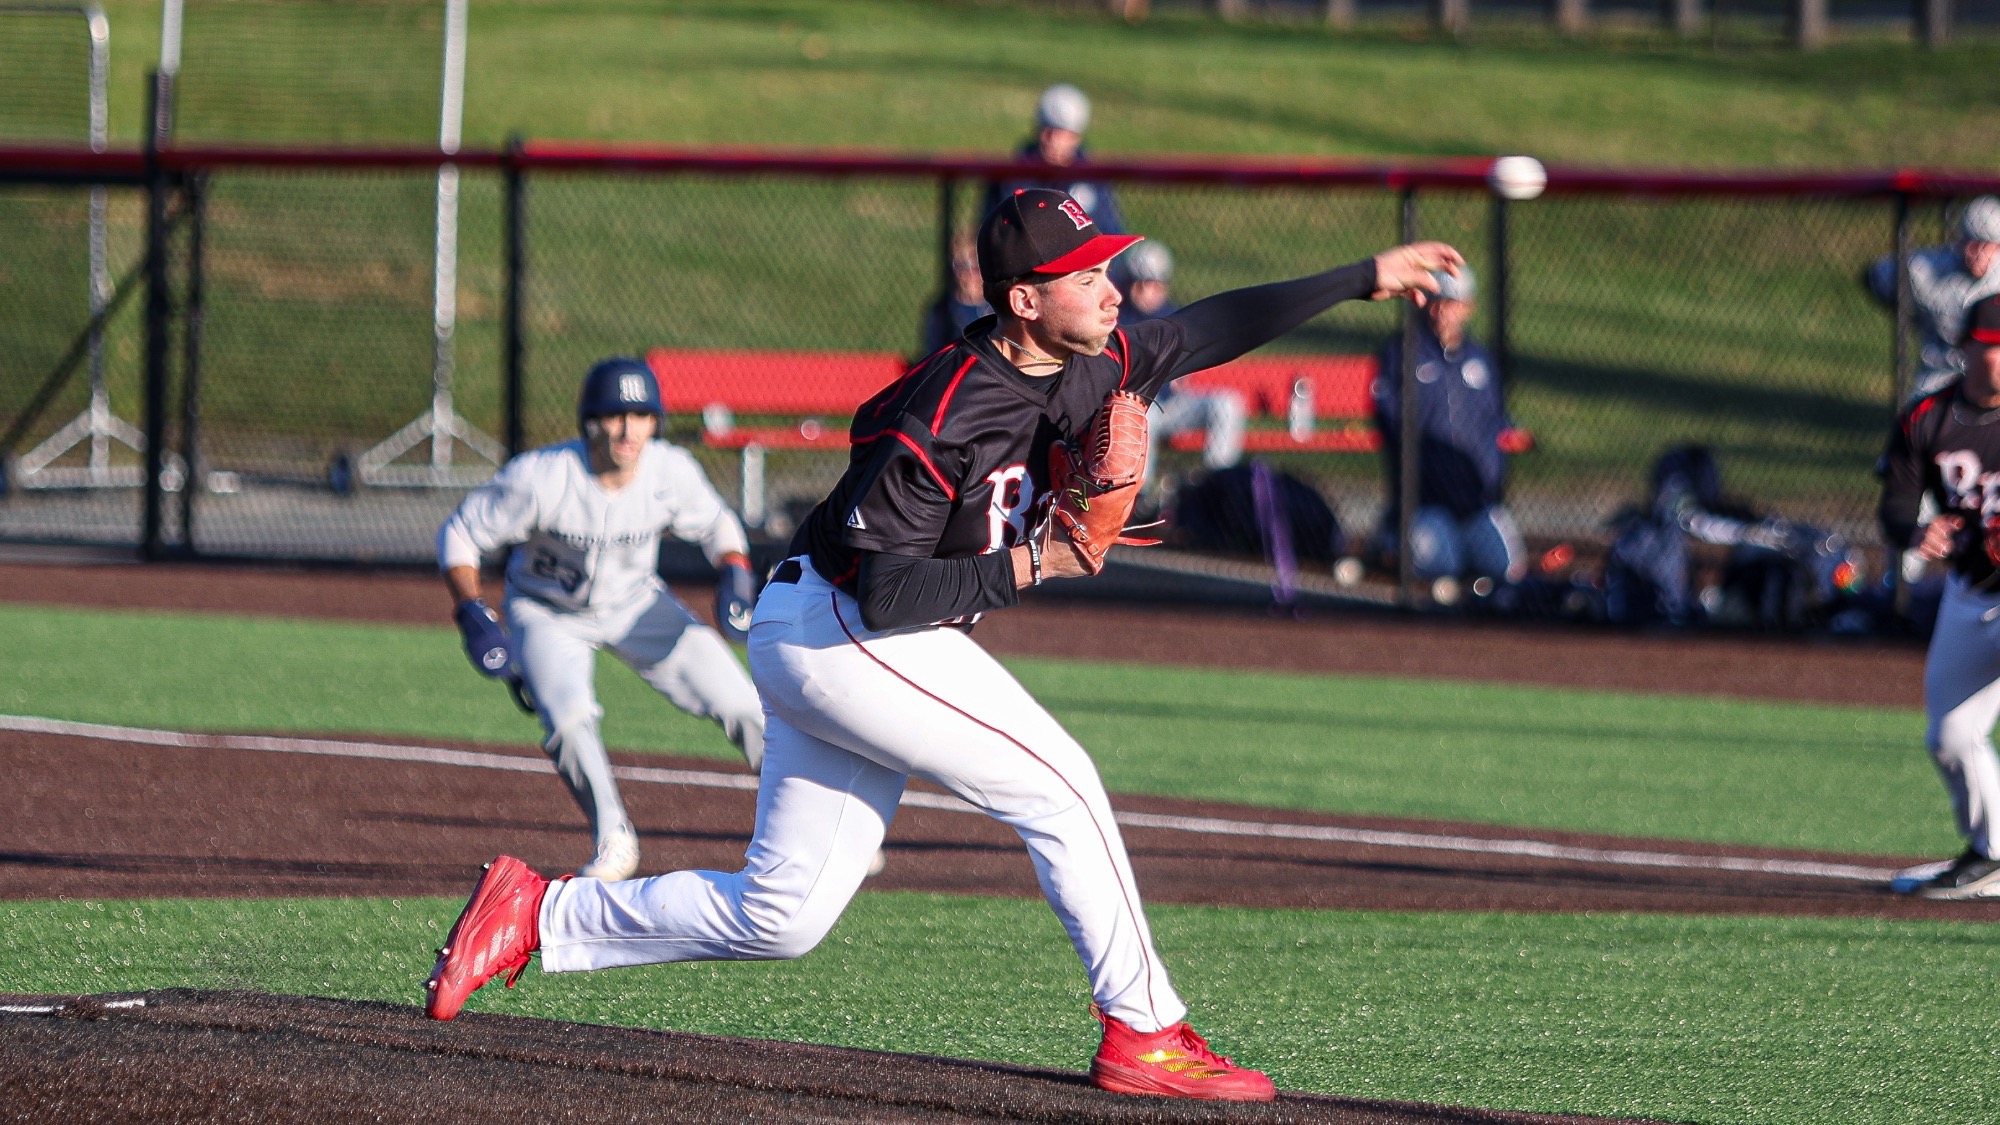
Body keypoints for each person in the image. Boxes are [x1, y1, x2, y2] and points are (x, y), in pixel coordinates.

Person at [422, 187, 1460, 1101]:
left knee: (783, 913)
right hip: (843, 629)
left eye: (1106, 266)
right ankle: (1145, 1031)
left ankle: (541, 916)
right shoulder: (941, 412)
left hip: (842, 630)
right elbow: (884, 592)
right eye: (1082, 273)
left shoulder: (1079, 356)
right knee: (1060, 785)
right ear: (1021, 300)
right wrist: (1031, 566)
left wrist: (1362, 276)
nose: (1110, 286)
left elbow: (1205, 328)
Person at [436, 357, 765, 882]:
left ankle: (810, 825)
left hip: (637, 604)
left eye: (641, 415)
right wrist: (472, 608)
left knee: (744, 702)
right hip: (547, 612)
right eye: (614, 414)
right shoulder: (542, 477)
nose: (627, 428)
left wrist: (736, 574)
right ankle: (615, 839)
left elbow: (719, 525)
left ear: (655, 422)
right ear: (589, 421)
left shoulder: (669, 471)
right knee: (568, 720)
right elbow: (459, 534)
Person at [1881, 295, 2000, 900]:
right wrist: (1915, 532)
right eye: (1993, 343)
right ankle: (1992, 855)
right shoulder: (1927, 416)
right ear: (1969, 348)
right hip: (1970, 591)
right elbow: (1895, 508)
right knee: (1950, 737)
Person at [1370, 266, 1530, 587]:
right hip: (1426, 506)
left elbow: (1495, 421)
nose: (1442, 309)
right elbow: (1388, 419)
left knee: (1507, 570)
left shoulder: (1480, 360)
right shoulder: (1403, 353)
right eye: (1435, 299)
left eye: (1453, 301)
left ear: (1468, 306)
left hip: (1476, 505)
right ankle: (1391, 536)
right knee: (1442, 568)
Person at [1116, 241, 1247, 489]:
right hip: (1134, 411)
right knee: (1146, 416)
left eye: (1157, 283)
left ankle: (1217, 487)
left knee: (1227, 404)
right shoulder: (1118, 317)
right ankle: (1139, 499)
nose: (1149, 290)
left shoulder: (1172, 315)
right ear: (1130, 283)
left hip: (1172, 405)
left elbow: (1186, 368)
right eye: (1143, 283)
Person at [1866, 196, 2000, 402]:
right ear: (1960, 241)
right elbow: (1874, 277)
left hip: (1989, 388)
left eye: (1987, 245)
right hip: (1938, 381)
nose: (1978, 253)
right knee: (1916, 421)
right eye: (1972, 244)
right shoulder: (1927, 269)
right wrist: (1911, 313)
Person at [982, 83, 1124, 234]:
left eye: (1061, 133)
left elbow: (1110, 232)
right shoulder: (1012, 175)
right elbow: (990, 232)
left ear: (1076, 137)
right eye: (1047, 130)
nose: (1051, 140)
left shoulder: (1092, 180)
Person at [920, 235, 992, 357]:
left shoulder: (999, 308)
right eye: (963, 266)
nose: (970, 274)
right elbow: (933, 353)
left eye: (976, 266)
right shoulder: (944, 310)